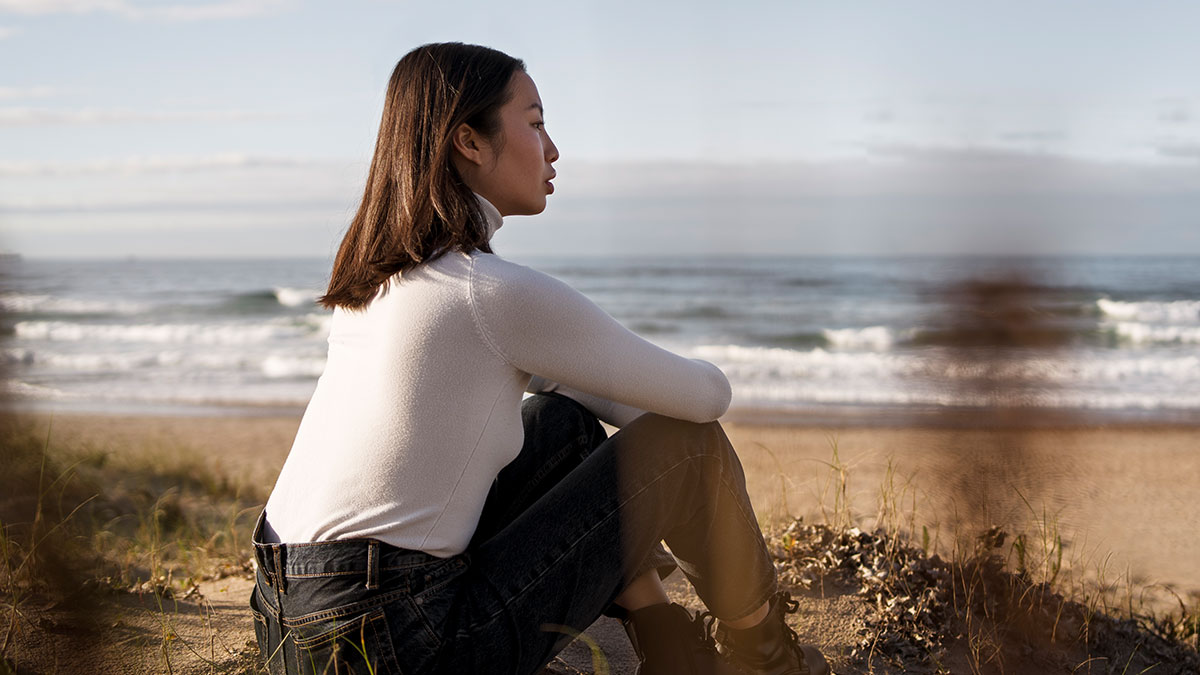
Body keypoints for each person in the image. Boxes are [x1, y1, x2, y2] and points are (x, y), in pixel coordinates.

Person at [249, 41, 830, 675]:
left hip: (286, 622)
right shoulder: (487, 292)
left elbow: (560, 388)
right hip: (397, 641)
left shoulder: (380, 280)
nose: (552, 150)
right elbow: (705, 398)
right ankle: (764, 656)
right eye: (535, 123)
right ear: (468, 141)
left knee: (561, 427)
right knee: (689, 446)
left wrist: (587, 397)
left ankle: (665, 635)